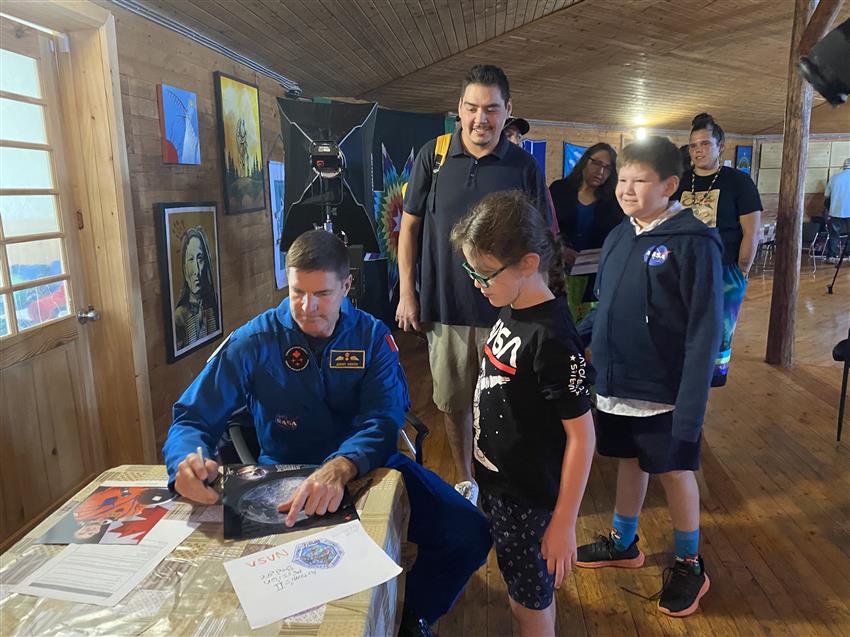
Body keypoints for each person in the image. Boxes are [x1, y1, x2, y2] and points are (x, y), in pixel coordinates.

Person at [163, 230, 491, 637]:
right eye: (297, 291)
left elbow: (384, 418)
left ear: (347, 285)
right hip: (281, 479)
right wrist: (186, 460)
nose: (307, 306)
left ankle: (415, 616)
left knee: (471, 532)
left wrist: (343, 464)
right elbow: (192, 416)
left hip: (371, 470)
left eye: (322, 294)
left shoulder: (372, 337)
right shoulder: (253, 340)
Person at [575, 137, 723, 618]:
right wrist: (572, 338)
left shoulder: (693, 242)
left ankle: (689, 562)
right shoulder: (621, 234)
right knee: (628, 461)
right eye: (622, 179)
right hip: (617, 384)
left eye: (640, 181)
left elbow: (704, 332)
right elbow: (606, 306)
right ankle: (623, 542)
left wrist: (691, 410)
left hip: (665, 392)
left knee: (676, 471)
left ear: (670, 185)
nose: (626, 189)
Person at [396, 64, 552, 504]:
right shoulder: (435, 155)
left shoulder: (523, 165)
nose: (480, 119)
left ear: (507, 112)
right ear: (459, 109)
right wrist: (409, 293)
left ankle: (508, 478)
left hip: (507, 313)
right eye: (471, 108)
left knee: (511, 403)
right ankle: (467, 479)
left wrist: (537, 309)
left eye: (491, 109)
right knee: (453, 401)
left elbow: (539, 240)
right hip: (446, 308)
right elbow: (408, 229)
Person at [450, 191, 595, 637]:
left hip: (530, 504)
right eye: (470, 270)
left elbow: (583, 438)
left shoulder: (552, 338)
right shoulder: (510, 307)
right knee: (520, 597)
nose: (477, 283)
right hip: (501, 487)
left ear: (529, 264)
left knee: (530, 608)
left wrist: (565, 523)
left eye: (484, 273)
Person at [674, 112, 762, 387]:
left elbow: (751, 231)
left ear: (720, 146)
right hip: (682, 268)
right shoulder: (681, 180)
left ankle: (713, 378)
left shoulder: (738, 182)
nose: (698, 150)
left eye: (705, 144)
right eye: (693, 145)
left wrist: (742, 271)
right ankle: (682, 374)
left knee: (719, 331)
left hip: (724, 269)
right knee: (682, 326)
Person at [548, 143, 624, 321]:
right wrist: (560, 249)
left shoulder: (612, 201)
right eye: (596, 163)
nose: (600, 172)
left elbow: (616, 236)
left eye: (607, 168)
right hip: (558, 270)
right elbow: (545, 226)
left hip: (594, 276)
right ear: (585, 161)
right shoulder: (560, 189)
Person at [174, 227, 219, 350]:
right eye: (190, 259)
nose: (197, 271)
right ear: (184, 269)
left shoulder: (214, 305)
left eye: (200, 258)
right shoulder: (179, 316)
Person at [825, 158, 850, 262]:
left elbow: (826, 195)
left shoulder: (834, 178)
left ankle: (832, 256)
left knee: (834, 234)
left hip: (835, 211)